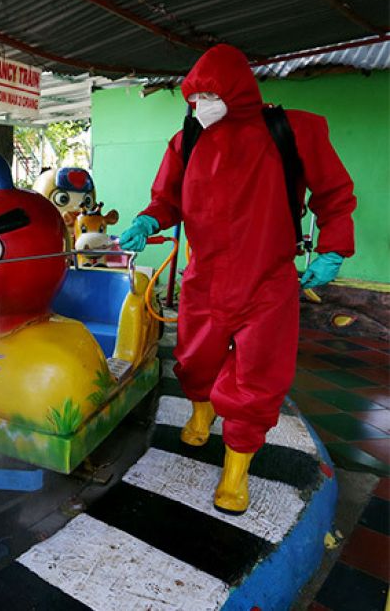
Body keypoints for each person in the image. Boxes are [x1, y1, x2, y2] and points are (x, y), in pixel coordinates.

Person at [119, 44, 356, 515]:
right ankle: (201, 409)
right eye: (194, 96)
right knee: (193, 358)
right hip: (203, 278)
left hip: (267, 282)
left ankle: (236, 470)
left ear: (237, 90)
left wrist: (333, 248)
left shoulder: (294, 129)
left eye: (209, 94)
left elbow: (334, 194)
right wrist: (149, 221)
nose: (200, 104)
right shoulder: (186, 139)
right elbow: (166, 200)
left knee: (258, 377)